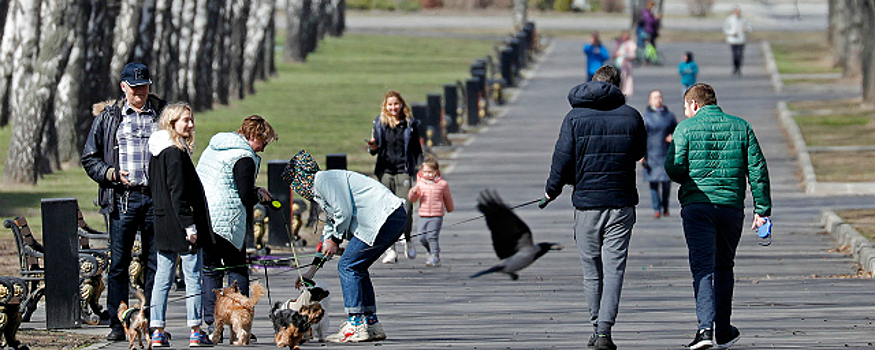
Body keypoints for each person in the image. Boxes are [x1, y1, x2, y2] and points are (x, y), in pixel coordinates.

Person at [540, 66, 647, 350]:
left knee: (591, 269)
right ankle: (604, 331)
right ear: (618, 86)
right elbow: (638, 153)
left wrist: (551, 190)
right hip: (621, 203)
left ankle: (595, 325)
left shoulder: (573, 118)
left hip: (587, 203)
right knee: (614, 269)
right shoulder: (632, 116)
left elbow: (561, 158)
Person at [665, 83, 771, 350]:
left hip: (697, 206)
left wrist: (687, 171)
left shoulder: (685, 129)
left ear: (695, 105)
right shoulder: (741, 126)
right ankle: (723, 328)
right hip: (731, 207)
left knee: (702, 267)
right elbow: (757, 169)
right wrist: (762, 210)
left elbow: (674, 169)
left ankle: (704, 330)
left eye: (686, 108)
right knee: (724, 266)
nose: (687, 113)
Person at [283, 150, 406, 343]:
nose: (298, 190)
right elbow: (331, 228)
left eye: (296, 184)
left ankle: (356, 324)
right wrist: (311, 271)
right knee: (357, 266)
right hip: (390, 216)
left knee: (347, 266)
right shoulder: (324, 187)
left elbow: (344, 212)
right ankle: (371, 323)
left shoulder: (323, 181)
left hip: (384, 217)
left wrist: (336, 240)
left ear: (302, 178)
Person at [82, 62, 165, 341]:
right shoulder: (108, 118)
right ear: (123, 87)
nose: (139, 92)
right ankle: (119, 324)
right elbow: (89, 158)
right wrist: (112, 174)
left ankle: (153, 321)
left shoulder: (163, 115)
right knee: (118, 264)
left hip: (155, 200)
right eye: (134, 87)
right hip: (122, 200)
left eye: (144, 87)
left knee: (155, 262)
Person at [195, 115, 277, 339]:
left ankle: (213, 324)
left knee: (210, 270)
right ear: (253, 136)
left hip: (205, 215)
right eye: (263, 143)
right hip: (227, 219)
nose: (263, 148)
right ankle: (239, 326)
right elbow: (243, 194)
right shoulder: (244, 157)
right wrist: (258, 195)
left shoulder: (216, 146)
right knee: (237, 269)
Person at [147, 103, 215, 347]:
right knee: (192, 276)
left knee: (162, 278)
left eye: (191, 119)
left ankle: (156, 329)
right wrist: (190, 226)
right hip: (181, 223)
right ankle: (196, 329)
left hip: (163, 221)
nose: (191, 124)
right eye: (186, 120)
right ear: (171, 122)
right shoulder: (175, 152)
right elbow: (178, 193)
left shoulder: (156, 151)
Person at [366, 90, 422, 264]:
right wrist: (373, 147)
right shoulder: (379, 123)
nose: (393, 107)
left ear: (402, 105)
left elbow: (416, 150)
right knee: (386, 211)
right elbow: (373, 151)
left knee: (407, 207)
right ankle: (390, 248)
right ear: (385, 106)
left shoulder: (410, 124)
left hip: (403, 170)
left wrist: (420, 171)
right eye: (390, 104)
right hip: (385, 171)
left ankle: (408, 238)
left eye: (396, 104)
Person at [407, 154, 454, 268]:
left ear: (436, 172)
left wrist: (449, 208)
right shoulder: (420, 184)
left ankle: (435, 256)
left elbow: (447, 197)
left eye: (430, 172)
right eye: (425, 172)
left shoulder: (442, 184)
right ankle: (430, 250)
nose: (428, 174)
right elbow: (413, 199)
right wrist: (413, 192)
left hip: (436, 215)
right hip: (423, 214)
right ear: (421, 172)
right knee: (422, 237)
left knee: (432, 236)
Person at [641, 90, 677, 219]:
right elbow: (641, 137)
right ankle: (656, 208)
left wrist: (672, 136)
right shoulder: (646, 117)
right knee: (654, 183)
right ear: (650, 100)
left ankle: (665, 206)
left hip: (665, 152)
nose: (658, 100)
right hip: (651, 152)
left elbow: (676, 129)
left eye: (660, 97)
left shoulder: (669, 116)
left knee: (666, 182)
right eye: (655, 97)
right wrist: (641, 155)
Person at [723, 5, 752, 77]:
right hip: (733, 40)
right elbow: (725, 29)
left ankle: (739, 68)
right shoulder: (729, 20)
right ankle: (735, 67)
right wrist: (731, 33)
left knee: (740, 55)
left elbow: (749, 28)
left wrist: (746, 29)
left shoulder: (744, 20)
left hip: (741, 40)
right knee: (735, 55)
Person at [614, 31, 637, 97]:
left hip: (626, 66)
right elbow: (615, 53)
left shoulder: (631, 44)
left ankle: (623, 94)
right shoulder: (620, 43)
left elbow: (633, 55)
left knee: (625, 81)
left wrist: (625, 54)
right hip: (618, 65)